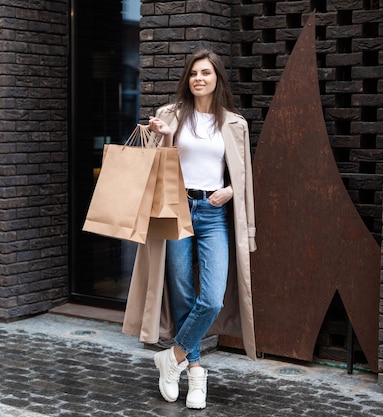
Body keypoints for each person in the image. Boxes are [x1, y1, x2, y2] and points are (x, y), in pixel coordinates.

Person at [122, 49, 258, 410]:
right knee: (181, 290)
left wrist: (230, 190)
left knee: (211, 297)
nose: (199, 78)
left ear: (217, 80)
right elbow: (153, 167)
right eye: (194, 73)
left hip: (212, 213)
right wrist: (164, 136)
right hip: (176, 208)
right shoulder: (169, 115)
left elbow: (242, 175)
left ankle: (173, 357)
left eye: (207, 73)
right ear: (188, 79)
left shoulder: (234, 123)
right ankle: (195, 372)